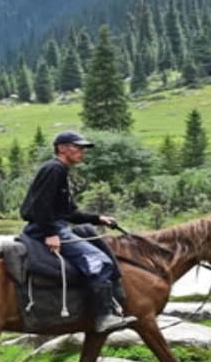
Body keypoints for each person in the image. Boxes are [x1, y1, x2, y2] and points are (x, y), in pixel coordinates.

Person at [19, 130, 134, 333]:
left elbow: (68, 212)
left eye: (83, 149)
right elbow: (41, 205)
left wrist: (97, 219)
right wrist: (50, 234)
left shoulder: (60, 170)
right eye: (77, 147)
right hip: (46, 229)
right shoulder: (54, 169)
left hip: (55, 225)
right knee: (101, 262)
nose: (82, 152)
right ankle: (103, 316)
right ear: (62, 148)